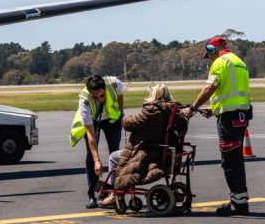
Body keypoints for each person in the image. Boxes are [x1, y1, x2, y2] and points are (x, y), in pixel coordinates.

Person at [181, 36, 253, 216]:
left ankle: (238, 203)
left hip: (229, 119)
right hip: (241, 115)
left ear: (214, 49)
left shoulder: (221, 62)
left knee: (229, 160)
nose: (209, 59)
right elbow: (233, 92)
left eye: (209, 54)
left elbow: (209, 88)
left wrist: (192, 108)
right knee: (236, 158)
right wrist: (214, 109)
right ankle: (240, 199)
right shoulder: (239, 62)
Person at [101, 83, 186, 207]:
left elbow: (130, 124)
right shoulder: (175, 111)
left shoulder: (152, 110)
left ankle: (115, 193)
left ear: (154, 95)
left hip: (147, 152)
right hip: (164, 151)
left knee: (114, 156)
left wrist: (125, 118)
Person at [69, 74, 127, 208]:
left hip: (112, 119)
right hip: (93, 121)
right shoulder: (84, 100)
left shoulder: (114, 83)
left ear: (104, 89)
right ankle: (91, 195)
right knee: (91, 155)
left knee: (115, 153)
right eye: (95, 97)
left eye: (101, 96)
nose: (99, 100)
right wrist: (97, 160)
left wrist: (120, 115)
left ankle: (115, 192)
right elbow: (90, 134)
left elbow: (120, 96)